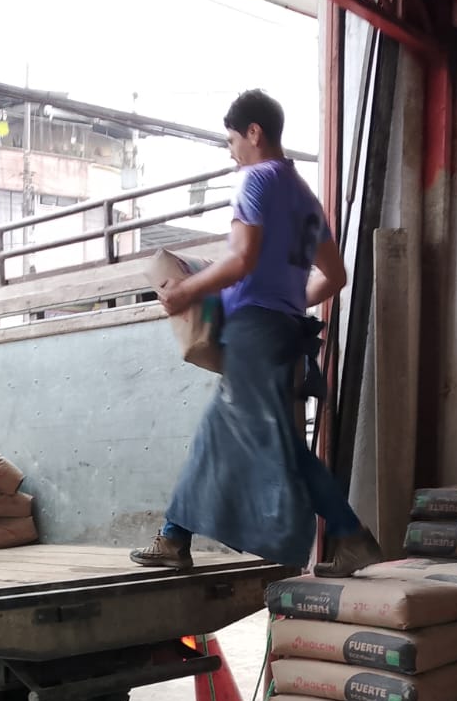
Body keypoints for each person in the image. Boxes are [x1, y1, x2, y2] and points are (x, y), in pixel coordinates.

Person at [131, 89, 382, 577]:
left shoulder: (257, 179)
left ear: (253, 132)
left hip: (254, 333)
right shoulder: (305, 197)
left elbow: (242, 257)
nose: (232, 153)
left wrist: (185, 291)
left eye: (232, 141)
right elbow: (334, 276)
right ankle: (177, 535)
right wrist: (288, 301)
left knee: (241, 436)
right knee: (264, 439)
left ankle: (177, 537)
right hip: (285, 334)